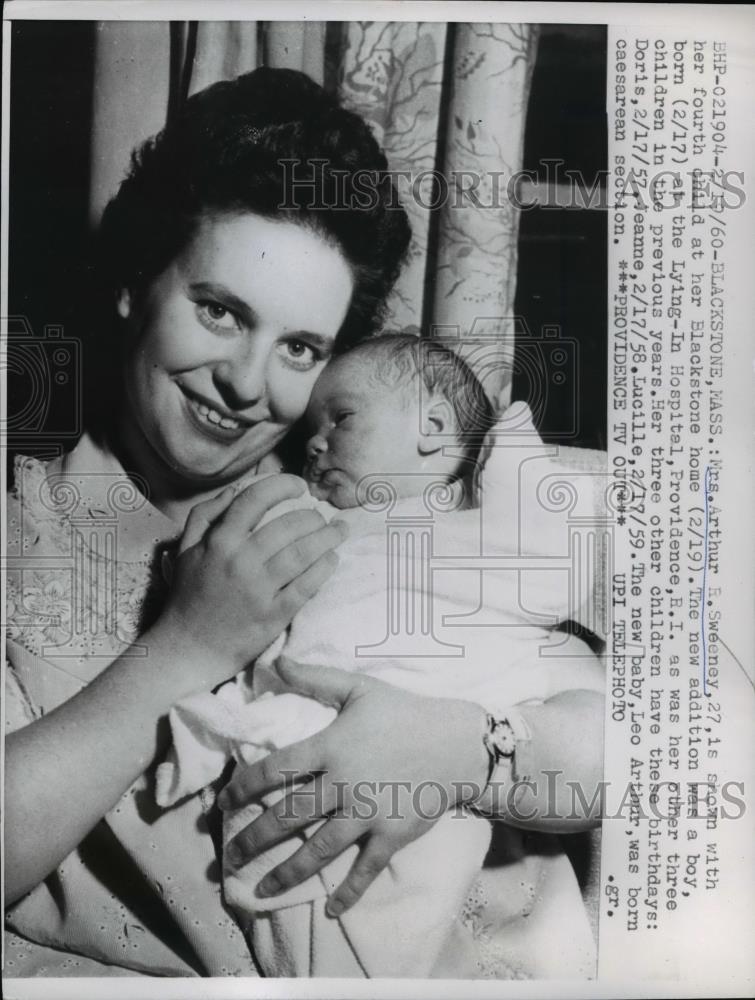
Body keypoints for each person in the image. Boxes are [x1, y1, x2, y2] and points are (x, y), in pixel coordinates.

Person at [4, 67, 603, 980]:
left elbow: (696, 725)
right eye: (217, 311)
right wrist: (187, 645)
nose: (247, 383)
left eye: (299, 348)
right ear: (134, 283)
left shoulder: (381, 490)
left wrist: (468, 749)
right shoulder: (21, 536)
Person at [155, 335, 605, 978]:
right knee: (305, 909)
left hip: (447, 778)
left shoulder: (474, 524)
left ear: (433, 427)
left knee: (463, 925)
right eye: (310, 429)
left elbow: (553, 550)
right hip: (302, 762)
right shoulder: (320, 524)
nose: (315, 443)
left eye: (341, 418)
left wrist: (513, 447)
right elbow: (257, 640)